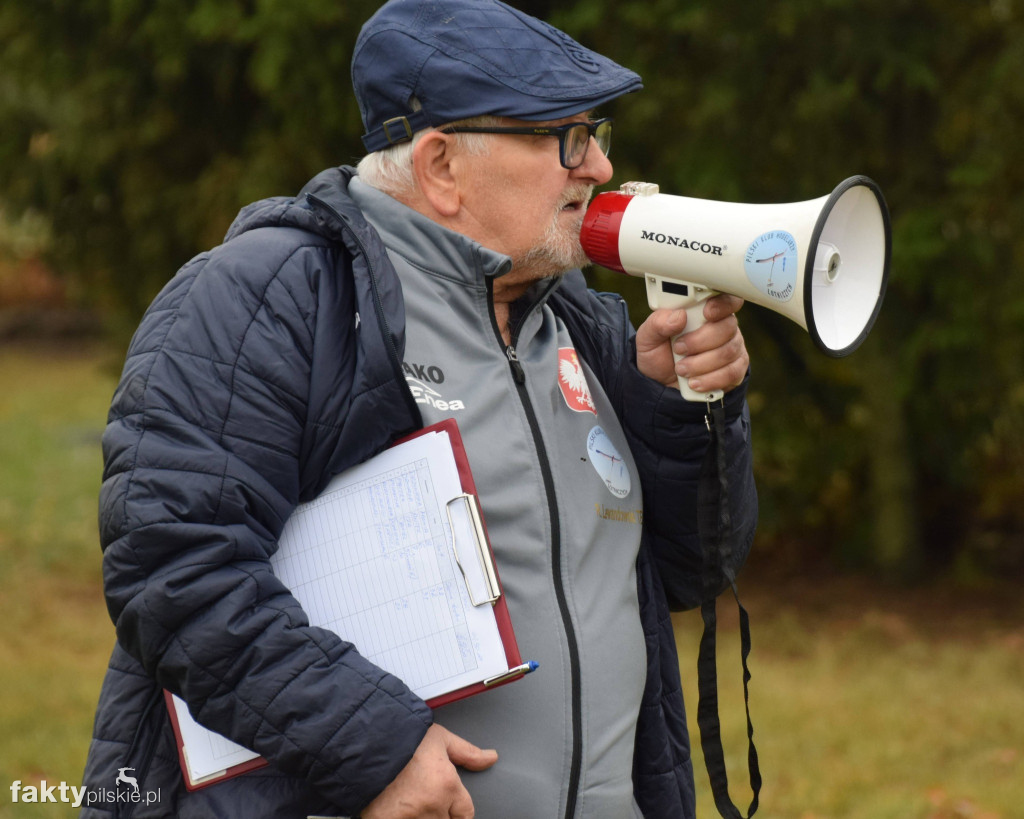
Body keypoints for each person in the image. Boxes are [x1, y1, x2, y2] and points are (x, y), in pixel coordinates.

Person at [80, 1, 757, 817]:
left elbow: (694, 568)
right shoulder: (270, 296)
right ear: (441, 166)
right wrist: (372, 744)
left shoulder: (581, 321)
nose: (598, 171)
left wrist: (679, 406)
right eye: (567, 140)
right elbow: (173, 564)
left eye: (596, 135)